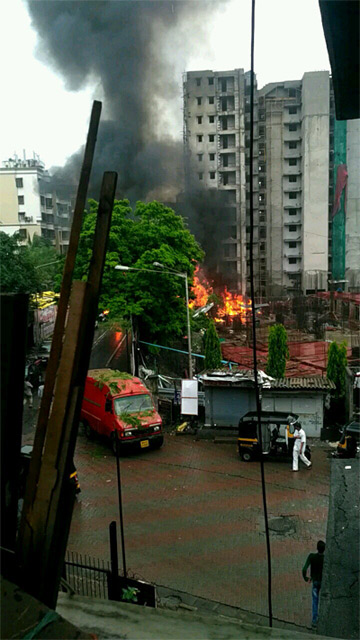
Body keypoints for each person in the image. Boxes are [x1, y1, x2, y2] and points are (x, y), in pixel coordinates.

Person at [302, 540, 326, 628]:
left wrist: (306, 578)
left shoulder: (311, 557)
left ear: (317, 548)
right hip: (323, 582)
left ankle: (314, 620)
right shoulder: (325, 559)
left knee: (315, 601)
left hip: (315, 581)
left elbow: (304, 569)